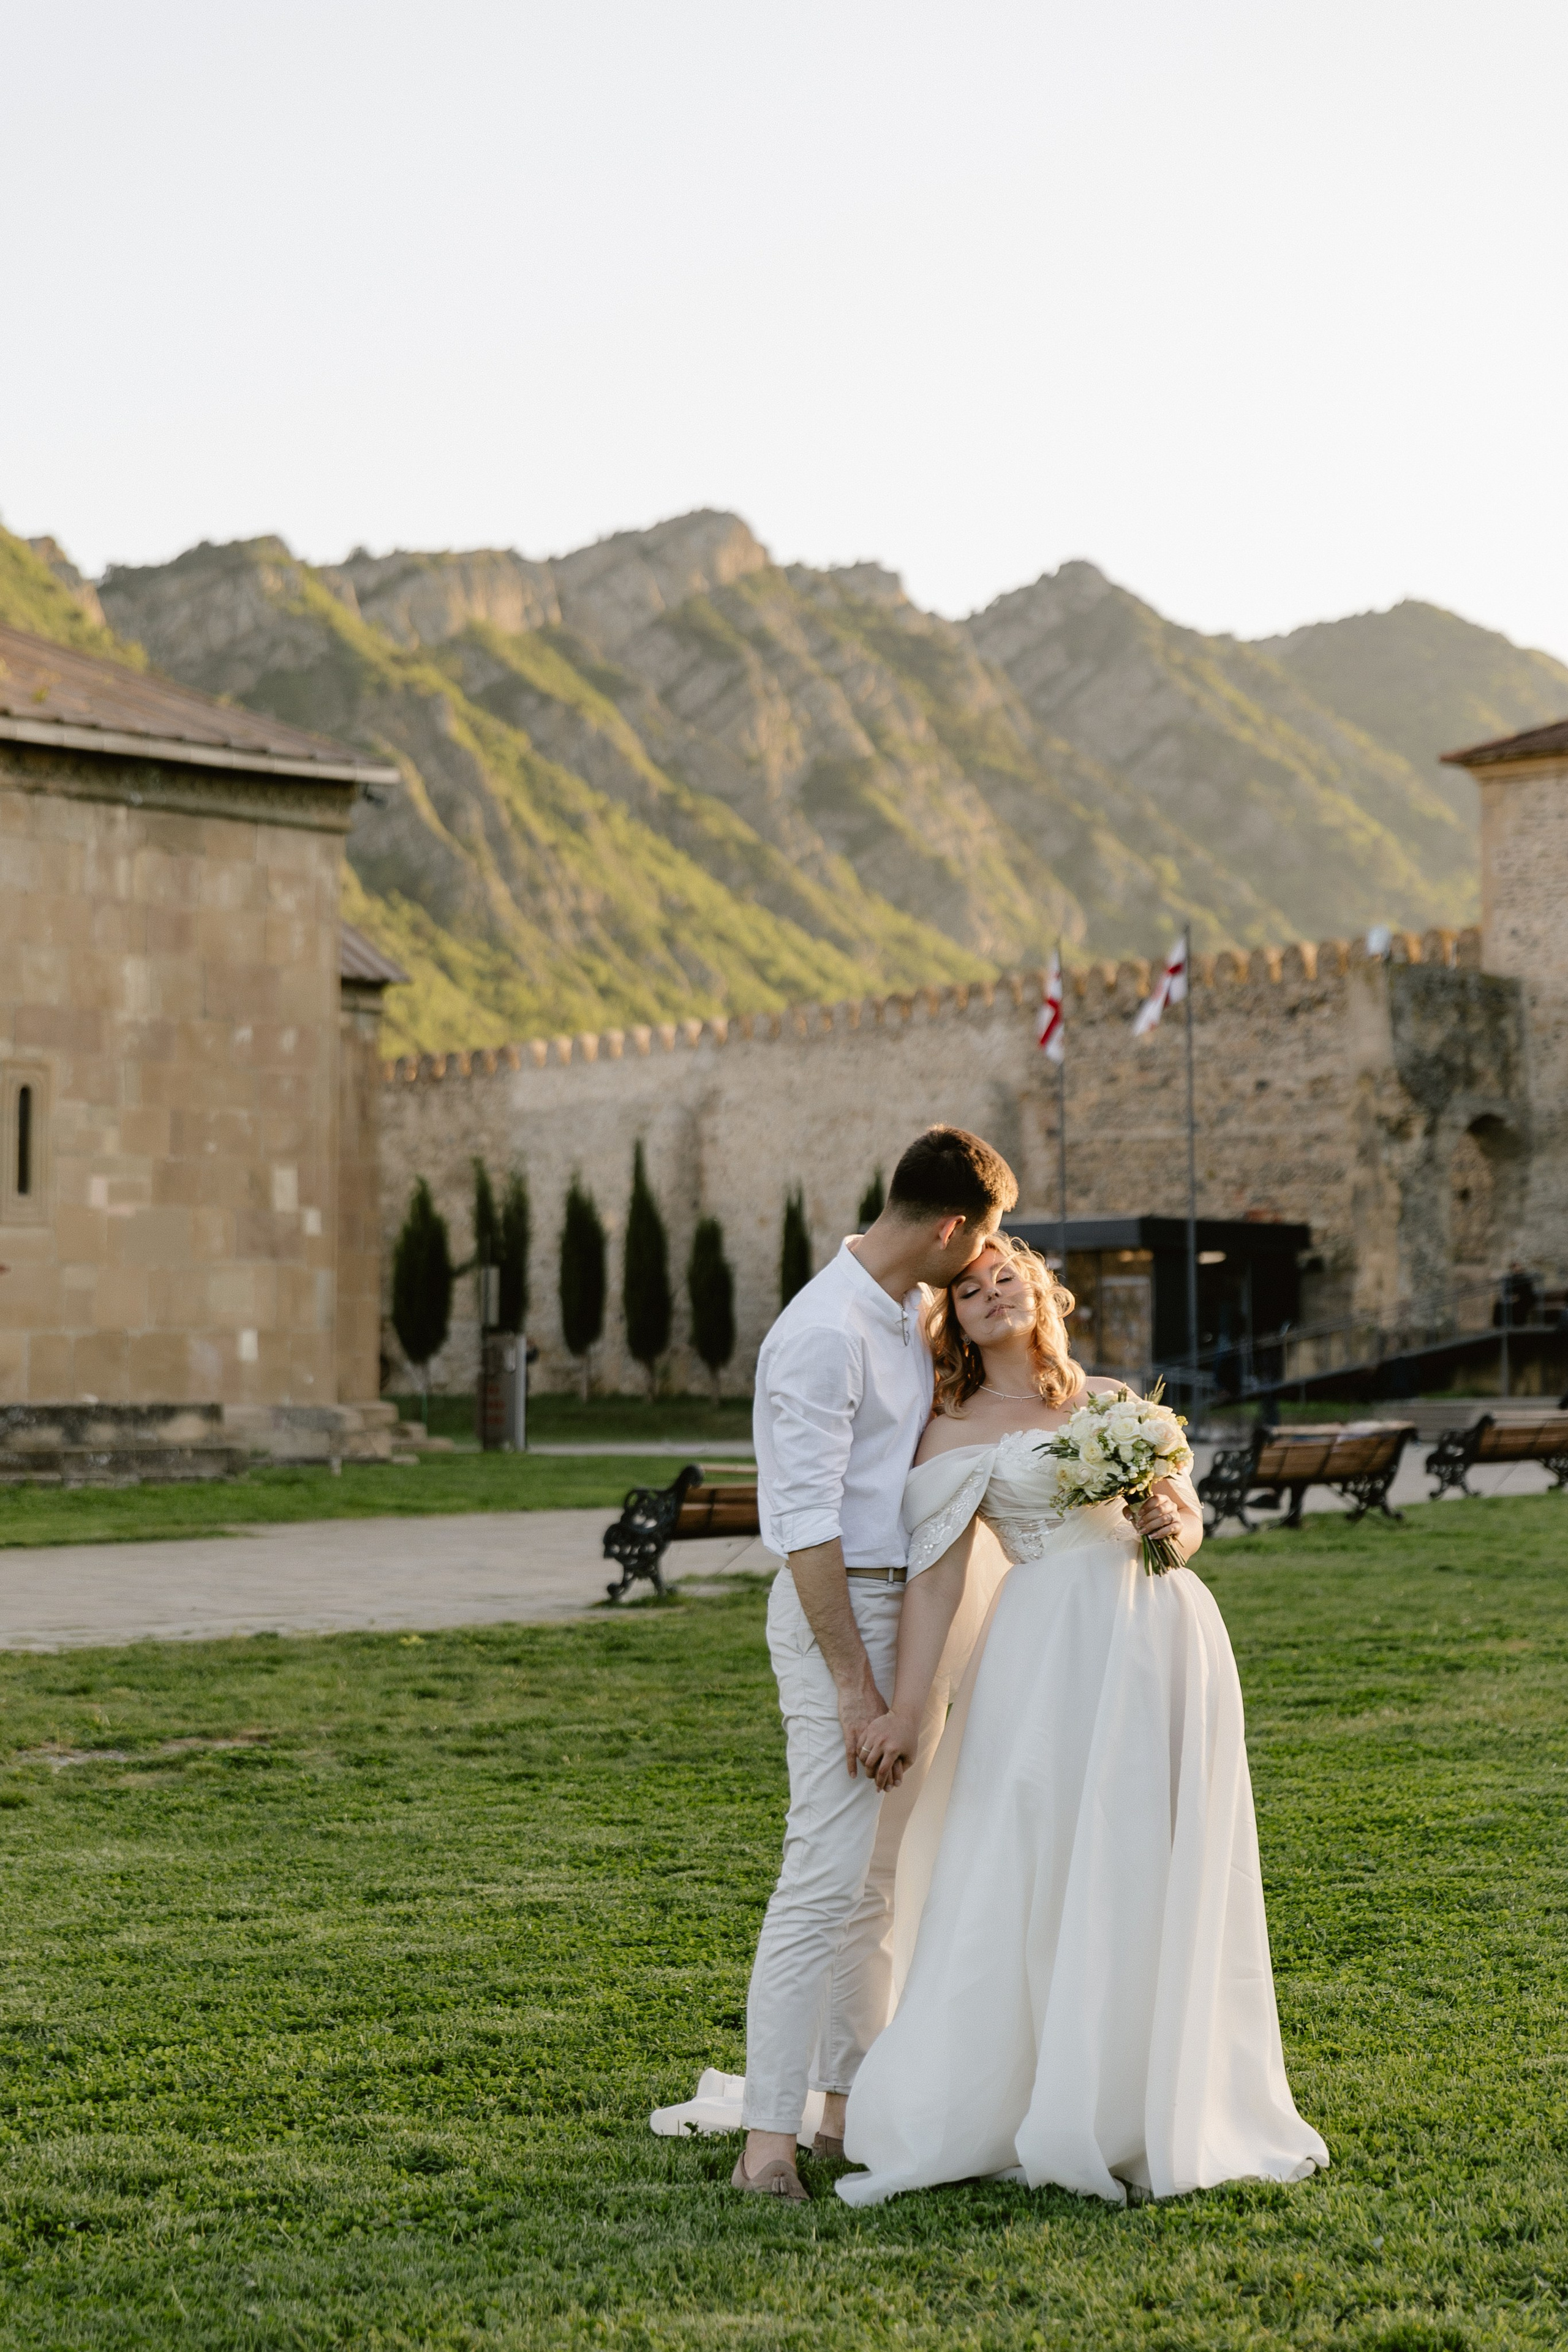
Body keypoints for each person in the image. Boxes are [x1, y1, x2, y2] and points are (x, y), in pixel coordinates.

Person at [837, 1235, 1329, 2207]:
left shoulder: (1113, 1400)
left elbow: (1187, 1524)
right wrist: (904, 1708)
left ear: (1041, 1291)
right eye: (968, 1290)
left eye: (1003, 1276)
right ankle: (1029, 2091)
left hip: (1164, 1640)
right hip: (1046, 1649)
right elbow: (934, 1585)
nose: (989, 1293)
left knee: (1155, 1853)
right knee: (1038, 1849)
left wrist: (1171, 1527)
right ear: (955, 1323)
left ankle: (1152, 2095)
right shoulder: (951, 1429)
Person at [730, 1126, 1019, 2200]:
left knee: (878, 1882)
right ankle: (767, 2141)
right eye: (982, 1238)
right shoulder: (822, 1333)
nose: (985, 1258)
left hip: (910, 1615)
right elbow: (804, 1527)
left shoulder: (906, 1310)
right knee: (822, 1868)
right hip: (837, 1614)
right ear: (948, 1227)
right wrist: (857, 1685)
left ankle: (850, 2111)